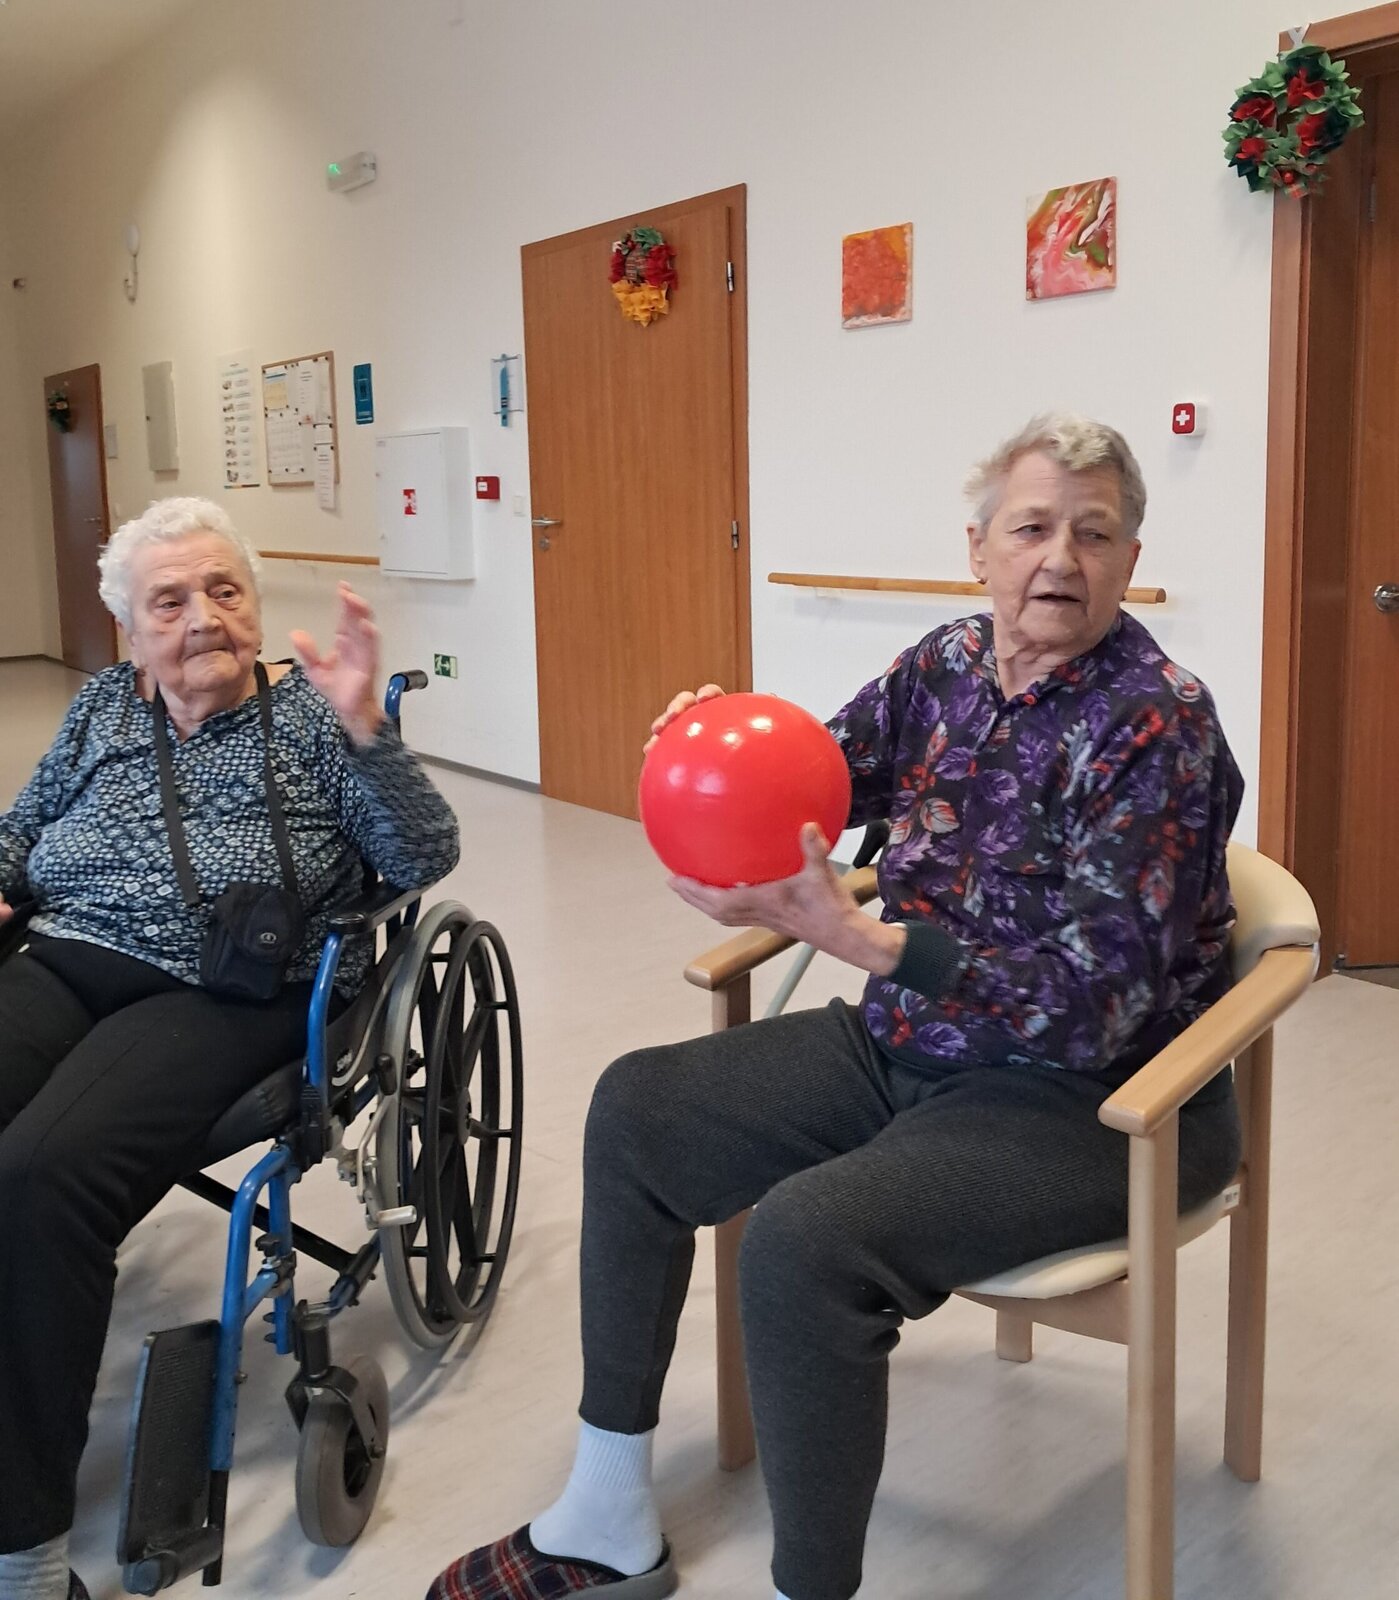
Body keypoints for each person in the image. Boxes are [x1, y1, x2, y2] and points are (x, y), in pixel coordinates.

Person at [426, 416, 1244, 1600]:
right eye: (1030, 528)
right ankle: (605, 1513)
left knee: (806, 1240)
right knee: (639, 1109)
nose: (1059, 559)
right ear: (978, 549)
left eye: (1093, 533)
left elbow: (1098, 1004)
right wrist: (709, 754)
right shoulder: (945, 665)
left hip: (1102, 1103)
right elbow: (814, 782)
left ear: (1128, 559)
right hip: (911, 1048)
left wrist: (873, 944)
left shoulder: (1158, 722)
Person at [0, 496, 460, 1600]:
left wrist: (367, 730)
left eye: (223, 590)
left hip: (222, 986)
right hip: (64, 952)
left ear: (253, 604)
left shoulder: (310, 714)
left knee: (40, 1173)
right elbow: (22, 828)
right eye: (169, 601)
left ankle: (27, 1554)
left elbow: (424, 854)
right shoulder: (104, 704)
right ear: (129, 630)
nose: (202, 617)